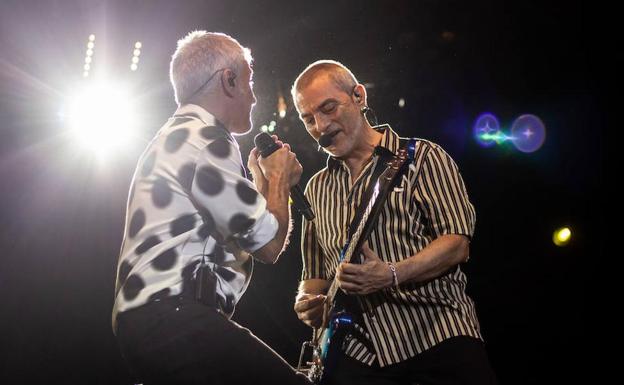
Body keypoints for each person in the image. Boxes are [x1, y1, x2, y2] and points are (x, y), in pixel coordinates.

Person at [112, 31, 310, 384]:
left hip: (148, 321)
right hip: (177, 316)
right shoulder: (207, 139)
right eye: (249, 82)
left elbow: (246, 227)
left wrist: (260, 181)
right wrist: (279, 178)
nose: (254, 96)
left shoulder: (179, 135)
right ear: (229, 80)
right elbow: (268, 244)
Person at [292, 60, 497, 385]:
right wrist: (306, 302)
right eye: (308, 119)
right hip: (357, 356)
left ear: (358, 97)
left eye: (328, 108)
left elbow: (457, 243)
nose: (320, 126)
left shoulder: (423, 157)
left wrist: (391, 273)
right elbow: (314, 276)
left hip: (436, 337)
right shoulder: (316, 188)